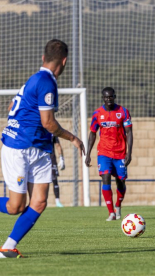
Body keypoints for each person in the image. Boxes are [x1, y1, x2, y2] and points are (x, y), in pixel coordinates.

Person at [0, 39, 85, 258]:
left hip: (39, 148)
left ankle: (8, 247)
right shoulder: (45, 81)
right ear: (64, 61)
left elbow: (12, 106)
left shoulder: (35, 79)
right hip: (20, 147)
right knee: (15, 207)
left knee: (39, 202)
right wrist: (73, 138)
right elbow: (48, 123)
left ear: (43, 58)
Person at [85, 87, 133, 221]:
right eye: (106, 97)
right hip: (104, 152)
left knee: (121, 182)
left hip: (120, 153)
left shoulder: (123, 112)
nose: (108, 99)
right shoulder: (97, 114)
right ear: (103, 98)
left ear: (114, 96)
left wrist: (129, 152)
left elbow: (129, 132)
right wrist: (88, 154)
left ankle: (118, 205)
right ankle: (111, 212)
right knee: (105, 178)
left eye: (111, 97)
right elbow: (92, 134)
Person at [51, 135, 65, 207]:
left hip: (51, 159)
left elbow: (58, 145)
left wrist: (61, 158)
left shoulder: (52, 132)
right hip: (41, 160)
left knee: (54, 180)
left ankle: (57, 202)